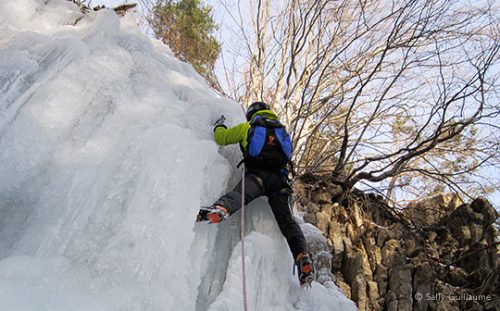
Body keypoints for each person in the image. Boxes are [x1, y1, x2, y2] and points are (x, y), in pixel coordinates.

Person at [205, 101, 314, 286]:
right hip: (279, 182)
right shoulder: (282, 132)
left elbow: (222, 138)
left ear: (251, 114)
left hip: (257, 177)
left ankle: (220, 209)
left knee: (239, 195)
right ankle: (302, 255)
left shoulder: (248, 127)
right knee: (287, 221)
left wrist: (219, 125)